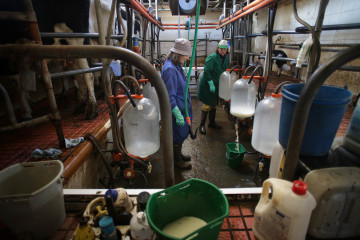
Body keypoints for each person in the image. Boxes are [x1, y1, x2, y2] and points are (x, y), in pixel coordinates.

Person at [161, 38, 193, 170]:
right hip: (176, 111)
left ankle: (178, 154)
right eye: (185, 56)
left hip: (182, 107)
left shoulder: (176, 66)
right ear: (178, 54)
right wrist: (177, 113)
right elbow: (169, 96)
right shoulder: (170, 70)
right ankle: (176, 161)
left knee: (180, 134)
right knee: (176, 135)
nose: (186, 58)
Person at [197, 40, 229, 135]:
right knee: (207, 105)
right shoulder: (212, 58)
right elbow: (207, 72)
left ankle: (212, 123)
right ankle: (201, 125)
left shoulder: (226, 58)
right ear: (218, 48)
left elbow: (223, 71)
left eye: (225, 49)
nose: (223, 51)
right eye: (221, 49)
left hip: (217, 84)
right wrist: (211, 83)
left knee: (214, 104)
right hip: (208, 84)